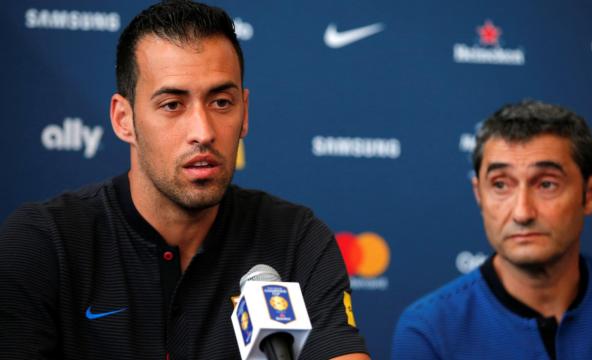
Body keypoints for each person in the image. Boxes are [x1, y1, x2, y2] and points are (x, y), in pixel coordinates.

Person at [0, 1, 369, 359]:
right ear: (123, 119)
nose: (203, 131)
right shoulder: (45, 244)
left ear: (245, 113)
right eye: (172, 105)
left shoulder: (295, 239)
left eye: (221, 102)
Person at [392, 100, 592, 359]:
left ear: (590, 194)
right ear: (479, 195)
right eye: (500, 185)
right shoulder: (430, 331)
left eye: (546, 184)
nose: (522, 213)